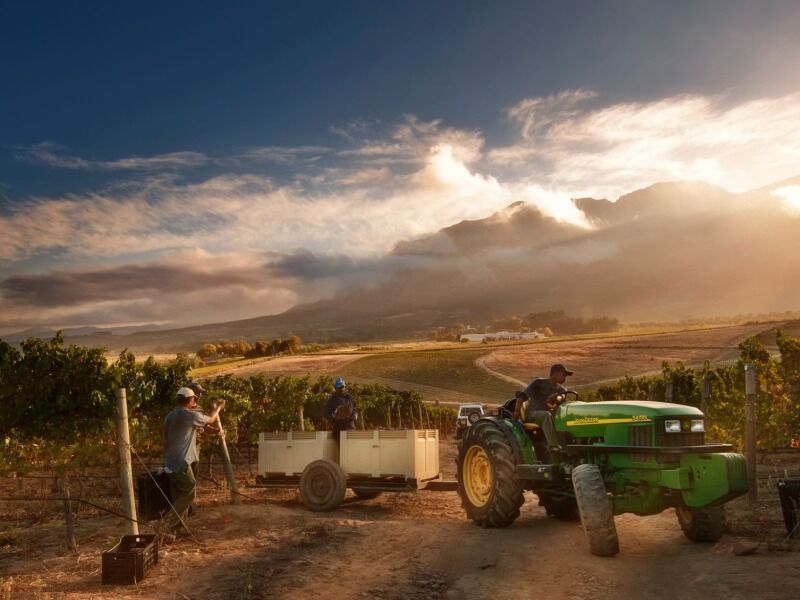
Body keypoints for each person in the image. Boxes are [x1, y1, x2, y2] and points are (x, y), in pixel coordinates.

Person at [162, 386, 224, 541]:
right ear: (189, 400)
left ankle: (178, 529)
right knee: (190, 491)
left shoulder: (170, 416)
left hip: (170, 459)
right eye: (194, 399)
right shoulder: (189, 415)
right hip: (181, 460)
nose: (195, 401)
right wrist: (219, 409)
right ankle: (166, 525)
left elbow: (202, 427)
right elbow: (210, 419)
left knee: (178, 495)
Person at [513, 363, 574, 450]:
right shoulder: (539, 383)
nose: (565, 378)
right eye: (563, 375)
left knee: (562, 418)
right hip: (533, 413)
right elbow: (522, 396)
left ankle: (568, 446)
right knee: (546, 415)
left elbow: (560, 404)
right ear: (555, 374)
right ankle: (554, 447)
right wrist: (516, 411)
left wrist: (558, 399)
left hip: (549, 415)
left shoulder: (562, 390)